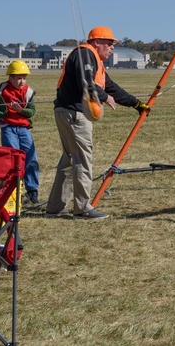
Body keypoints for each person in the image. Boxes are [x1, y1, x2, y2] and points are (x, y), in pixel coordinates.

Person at [45, 26, 150, 220]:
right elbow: (85, 82)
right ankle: (83, 208)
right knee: (82, 160)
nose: (111, 48)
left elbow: (111, 87)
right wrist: (103, 97)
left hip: (66, 112)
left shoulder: (96, 62)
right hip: (75, 114)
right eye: (109, 44)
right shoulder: (86, 54)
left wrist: (135, 103)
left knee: (69, 160)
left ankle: (54, 208)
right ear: (97, 42)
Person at [0, 60, 40, 204]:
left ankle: (32, 190)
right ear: (10, 78)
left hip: (24, 128)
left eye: (24, 78)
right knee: (12, 157)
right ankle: (14, 190)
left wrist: (21, 110)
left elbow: (32, 111)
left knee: (31, 157)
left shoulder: (29, 92)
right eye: (19, 78)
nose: (22, 81)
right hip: (8, 127)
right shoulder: (3, 88)